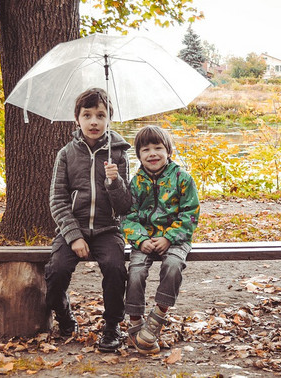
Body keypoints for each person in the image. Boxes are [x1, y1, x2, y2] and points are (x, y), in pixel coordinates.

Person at [44, 88, 132, 353]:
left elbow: (126, 205)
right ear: (77, 119)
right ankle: (64, 316)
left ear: (109, 119)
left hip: (107, 229)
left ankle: (112, 326)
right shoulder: (66, 154)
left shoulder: (118, 154)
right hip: (74, 227)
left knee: (116, 268)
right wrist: (73, 236)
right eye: (87, 115)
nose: (94, 121)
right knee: (56, 270)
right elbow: (57, 200)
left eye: (101, 115)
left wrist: (114, 183)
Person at [121, 125, 200, 355]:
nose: (152, 153)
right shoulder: (135, 183)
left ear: (168, 151)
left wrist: (169, 237)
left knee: (173, 265)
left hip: (176, 238)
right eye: (146, 149)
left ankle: (158, 316)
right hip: (144, 239)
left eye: (158, 148)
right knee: (135, 271)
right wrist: (140, 239)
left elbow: (190, 214)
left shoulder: (182, 178)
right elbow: (128, 217)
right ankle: (135, 322)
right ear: (139, 155)